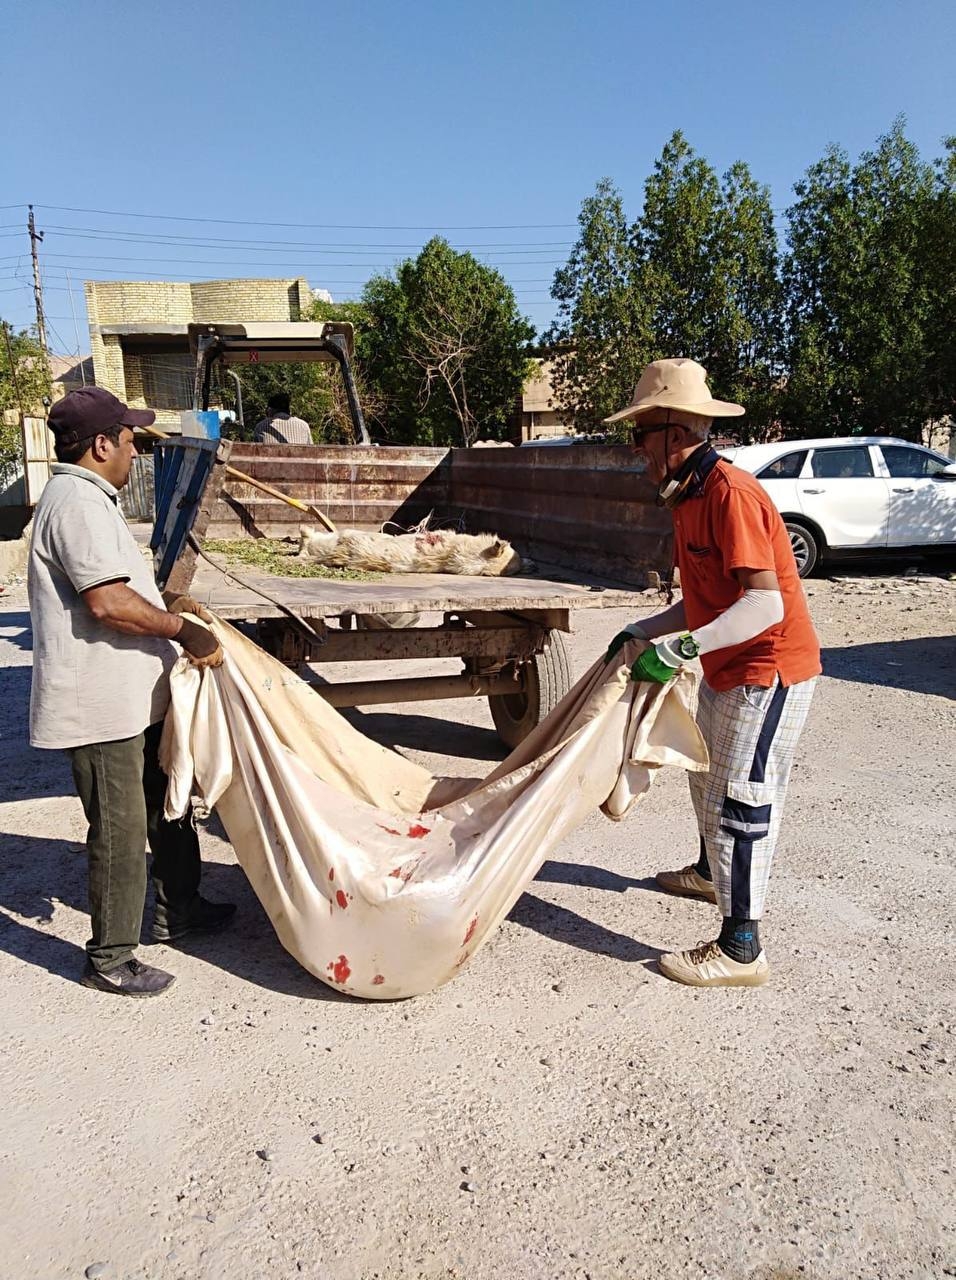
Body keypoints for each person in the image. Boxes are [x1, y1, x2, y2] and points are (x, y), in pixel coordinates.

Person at [604, 359, 821, 988]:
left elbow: (764, 604)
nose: (637, 451)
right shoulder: (685, 497)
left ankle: (741, 948)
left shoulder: (731, 495)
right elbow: (704, 597)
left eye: (640, 435)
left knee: (740, 800)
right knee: (707, 779)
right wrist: (648, 629)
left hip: (769, 671)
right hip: (727, 666)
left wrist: (678, 652)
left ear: (674, 434)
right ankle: (708, 875)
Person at [28, 386, 236, 998]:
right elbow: (107, 602)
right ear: (100, 444)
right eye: (128, 440)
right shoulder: (76, 503)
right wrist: (184, 631)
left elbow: (122, 585)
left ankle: (180, 909)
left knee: (167, 805)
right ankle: (111, 957)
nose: (134, 452)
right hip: (100, 707)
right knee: (120, 830)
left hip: (130, 697)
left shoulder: (94, 499)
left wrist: (169, 605)